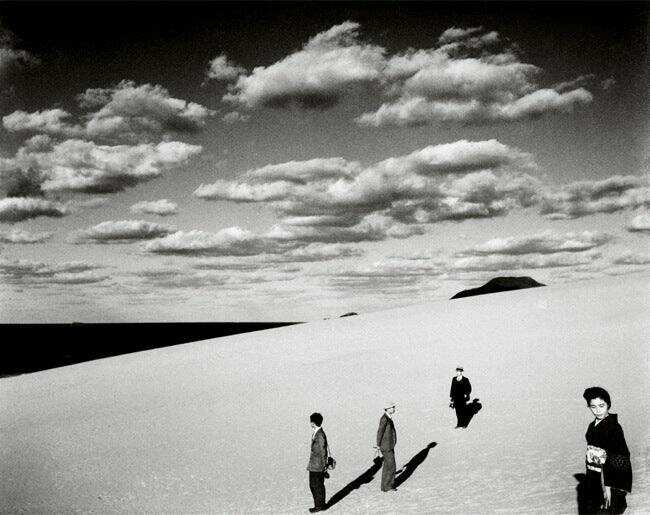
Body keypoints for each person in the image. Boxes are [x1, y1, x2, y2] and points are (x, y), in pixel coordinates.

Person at [582, 387, 632, 514]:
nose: (598, 410)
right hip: (595, 478)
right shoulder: (592, 426)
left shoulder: (614, 427)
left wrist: (608, 487)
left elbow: (620, 457)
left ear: (608, 404)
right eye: (593, 407)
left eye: (601, 405)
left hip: (610, 479)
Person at [307, 412, 328, 513]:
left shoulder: (319, 435)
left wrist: (324, 466)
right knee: (317, 485)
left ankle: (319, 505)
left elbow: (323, 450)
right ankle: (321, 504)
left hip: (317, 465)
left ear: (313, 423)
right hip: (316, 464)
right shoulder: (318, 432)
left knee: (315, 485)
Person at [375, 403, 397, 492]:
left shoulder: (388, 418)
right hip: (386, 446)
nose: (394, 408)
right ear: (387, 409)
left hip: (389, 445)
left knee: (387, 466)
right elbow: (380, 431)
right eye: (392, 407)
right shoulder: (384, 419)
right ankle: (388, 486)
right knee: (392, 466)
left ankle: (384, 487)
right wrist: (378, 444)